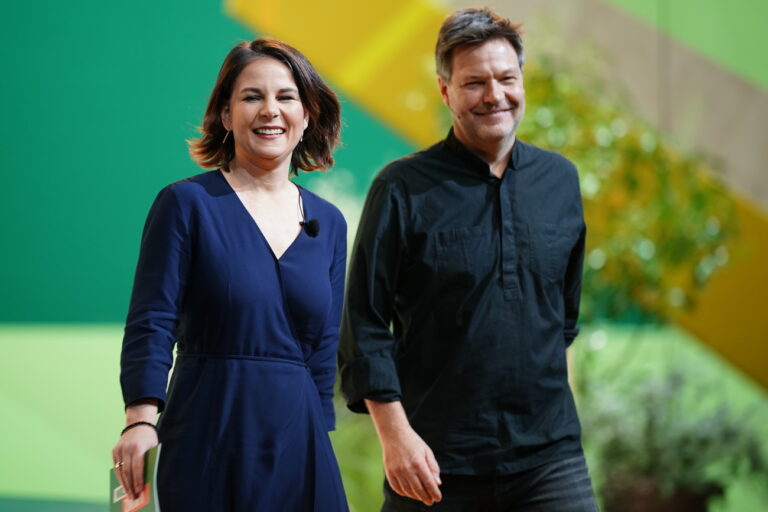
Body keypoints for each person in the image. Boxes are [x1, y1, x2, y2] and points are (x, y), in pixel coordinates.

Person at [339, 7, 597, 511]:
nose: (495, 95)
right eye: (474, 82)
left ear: (522, 81)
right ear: (446, 91)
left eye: (506, 78)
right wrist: (396, 440)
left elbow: (562, 317)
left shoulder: (560, 181)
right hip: (434, 462)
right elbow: (364, 324)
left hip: (550, 461)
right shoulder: (401, 188)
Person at [111, 38, 349, 511]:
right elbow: (152, 320)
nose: (270, 111)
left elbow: (323, 354)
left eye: (286, 97)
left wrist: (317, 441)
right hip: (209, 427)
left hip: (298, 441)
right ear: (225, 115)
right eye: (251, 97)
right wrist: (140, 420)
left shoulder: (330, 223)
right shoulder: (186, 204)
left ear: (307, 117)